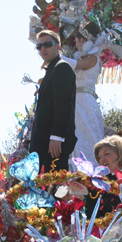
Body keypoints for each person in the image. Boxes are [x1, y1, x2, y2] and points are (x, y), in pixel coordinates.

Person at [29, 30, 77, 172]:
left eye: (47, 44)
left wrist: (57, 137)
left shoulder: (62, 68)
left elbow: (63, 106)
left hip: (53, 144)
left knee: (54, 189)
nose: (43, 49)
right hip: (44, 143)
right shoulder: (52, 70)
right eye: (39, 46)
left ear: (58, 46)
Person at [61, 21, 104, 165]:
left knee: (89, 138)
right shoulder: (83, 57)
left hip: (84, 102)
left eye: (77, 41)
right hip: (76, 102)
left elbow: (76, 66)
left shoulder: (92, 58)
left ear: (83, 40)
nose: (76, 44)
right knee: (78, 138)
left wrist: (56, 56)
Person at [83, 135, 122, 216]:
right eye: (99, 157)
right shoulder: (97, 187)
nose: (102, 159)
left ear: (120, 154)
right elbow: (93, 219)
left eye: (106, 154)